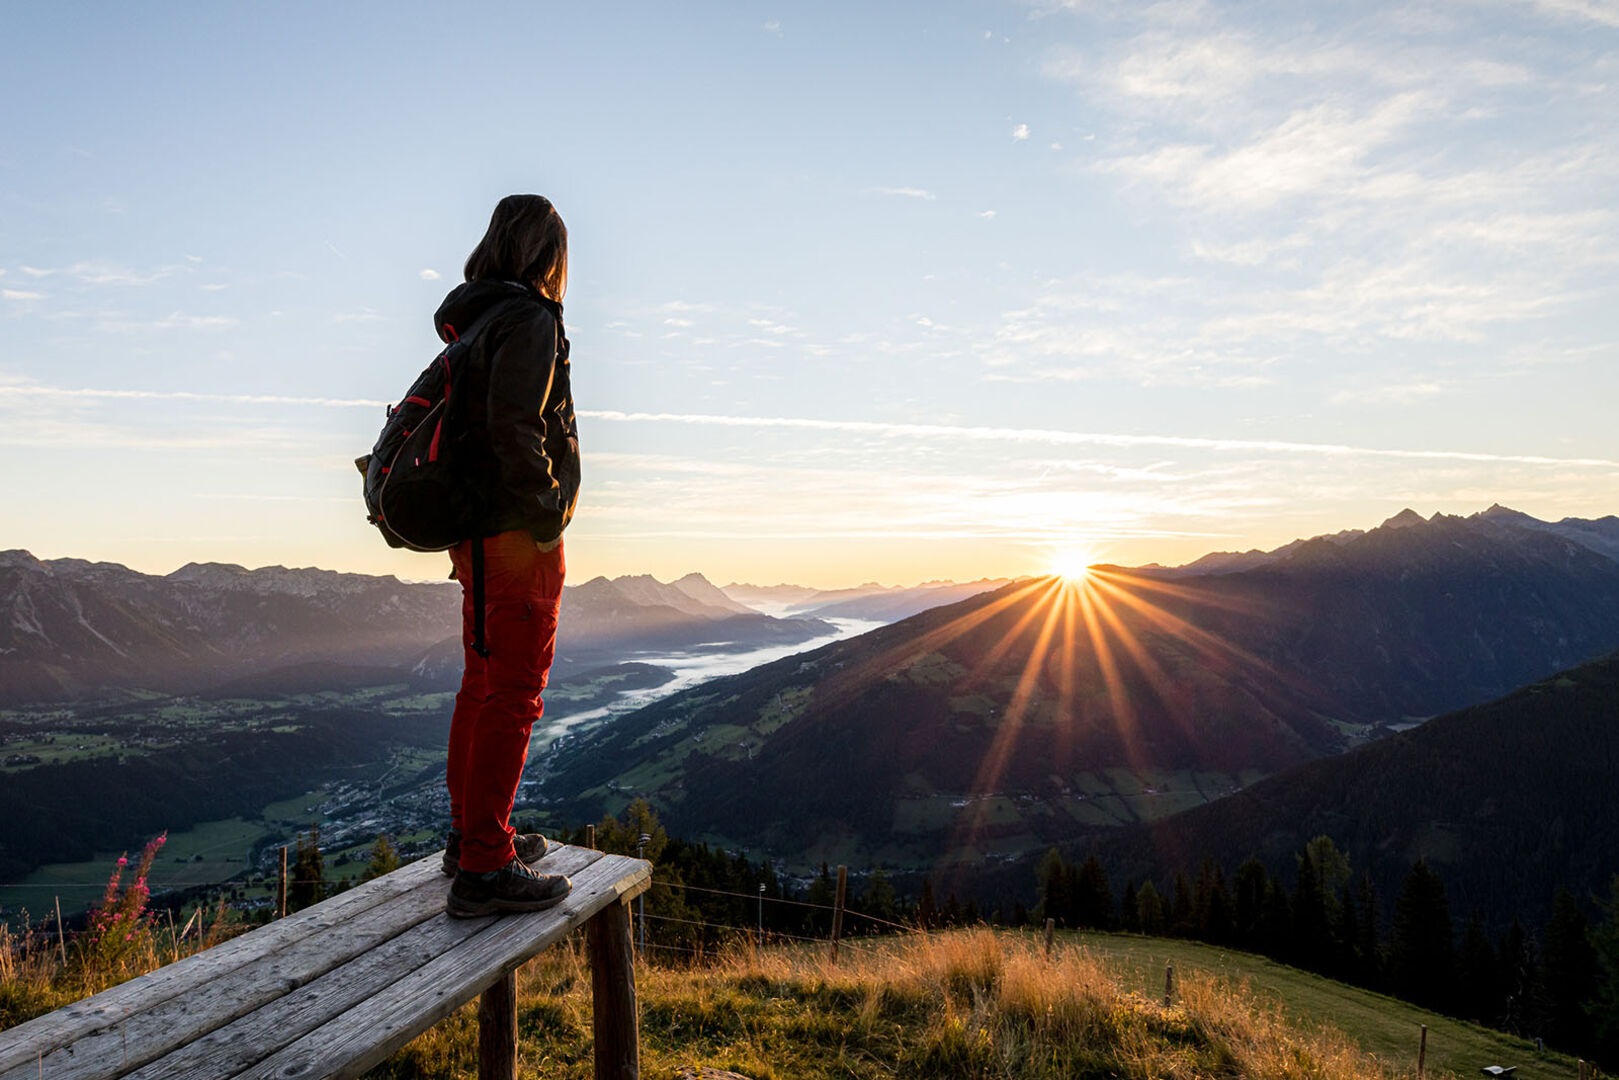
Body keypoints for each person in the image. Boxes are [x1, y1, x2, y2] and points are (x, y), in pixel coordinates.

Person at [434, 194, 580, 918]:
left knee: (482, 685)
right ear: (547, 254)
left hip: (476, 535)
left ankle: (472, 839)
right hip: (515, 535)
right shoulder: (529, 318)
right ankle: (484, 868)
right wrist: (548, 515)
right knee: (516, 693)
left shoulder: (475, 320)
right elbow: (516, 428)